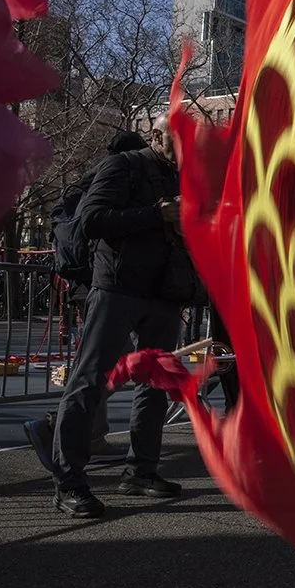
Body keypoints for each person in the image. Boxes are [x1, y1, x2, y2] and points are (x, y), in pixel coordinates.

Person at [50, 116, 200, 519]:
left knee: (156, 385)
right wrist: (157, 213)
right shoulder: (122, 165)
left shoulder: (180, 176)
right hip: (117, 289)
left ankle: (141, 471)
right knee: (89, 381)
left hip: (163, 293)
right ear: (157, 135)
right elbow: (92, 220)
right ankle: (69, 483)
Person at [24, 131, 150, 471]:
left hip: (86, 283)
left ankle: (92, 436)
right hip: (104, 283)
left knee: (102, 362)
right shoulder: (119, 179)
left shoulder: (86, 182)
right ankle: (57, 425)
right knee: (113, 363)